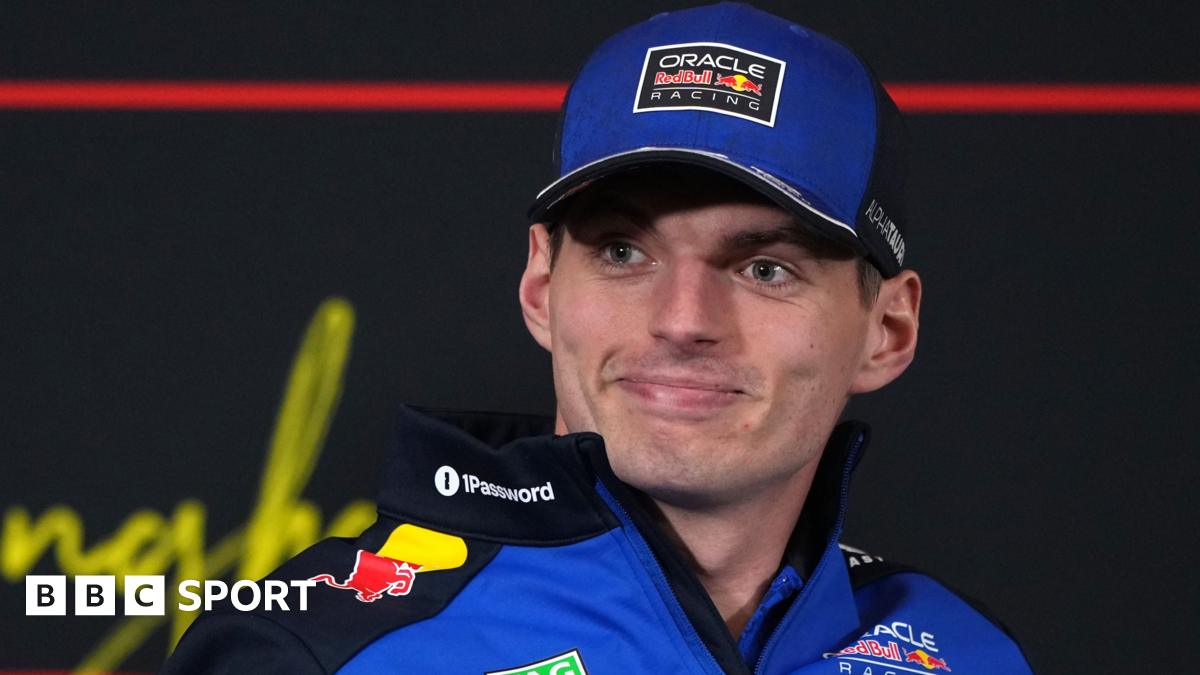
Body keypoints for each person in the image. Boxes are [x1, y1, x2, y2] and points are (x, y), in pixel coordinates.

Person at [164, 3, 1034, 673]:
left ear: (888, 330)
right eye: (623, 252)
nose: (683, 319)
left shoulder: (962, 650)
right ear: (542, 286)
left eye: (765, 267)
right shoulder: (317, 650)